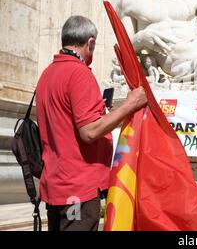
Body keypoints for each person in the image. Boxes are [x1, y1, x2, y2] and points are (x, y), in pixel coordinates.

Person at [35, 15, 147, 231]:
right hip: (78, 188)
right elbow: (89, 131)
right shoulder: (79, 73)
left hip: (56, 184)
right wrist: (130, 104)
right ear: (90, 43)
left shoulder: (47, 74)